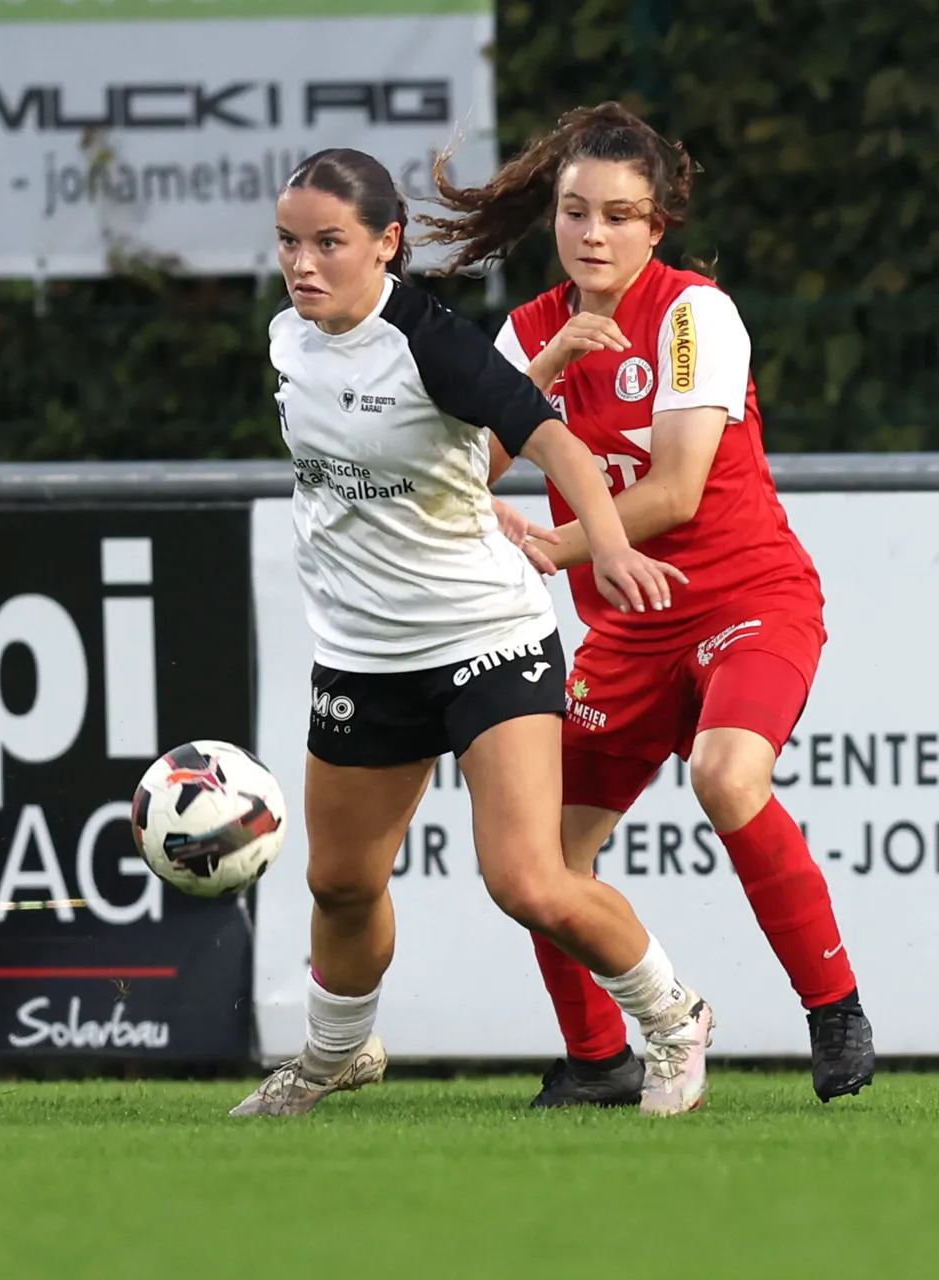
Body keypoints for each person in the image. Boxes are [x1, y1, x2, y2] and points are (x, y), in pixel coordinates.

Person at [230, 149, 714, 1120]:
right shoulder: (290, 338)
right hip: (364, 653)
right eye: (290, 242)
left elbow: (553, 440)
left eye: (330, 242)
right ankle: (335, 1053)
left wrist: (607, 545)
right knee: (341, 881)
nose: (304, 263)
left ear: (387, 244)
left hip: (485, 637)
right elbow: (455, 448)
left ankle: (672, 1019)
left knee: (528, 878)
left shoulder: (432, 341)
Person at [422, 102, 874, 1106]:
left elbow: (673, 491)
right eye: (576, 211)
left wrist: (550, 541)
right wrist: (538, 375)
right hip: (625, 629)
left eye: (620, 216)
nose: (593, 233)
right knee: (537, 861)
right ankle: (597, 1061)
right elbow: (464, 466)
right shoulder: (532, 325)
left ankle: (833, 1006)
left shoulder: (691, 314)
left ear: (656, 226)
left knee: (725, 774)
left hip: (745, 597)